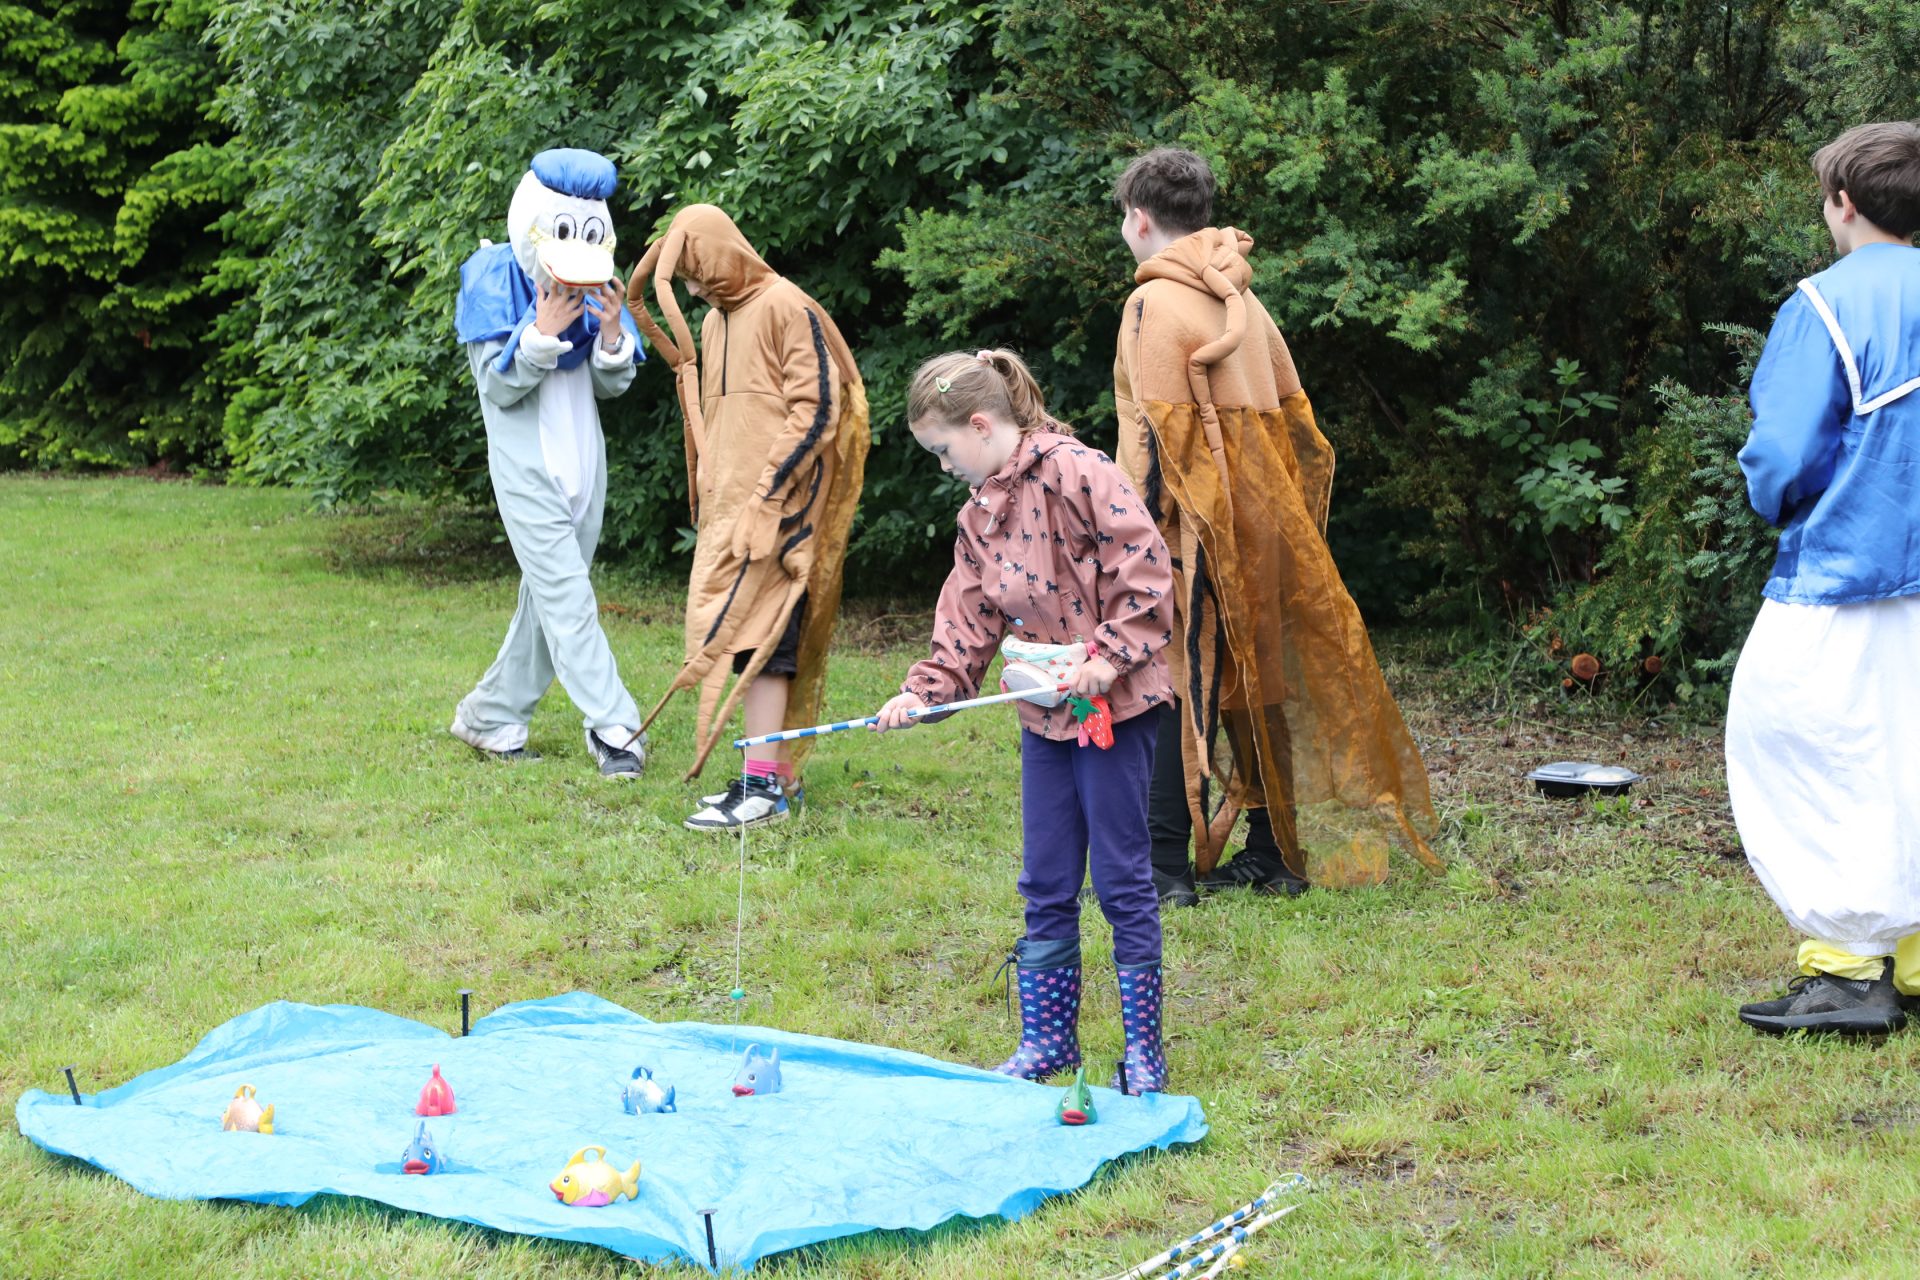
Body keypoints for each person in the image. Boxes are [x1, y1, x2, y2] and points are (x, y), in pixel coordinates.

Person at [1109, 146, 1440, 902]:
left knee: (1171, 682)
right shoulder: (1245, 302)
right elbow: (1298, 427)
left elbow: (1153, 445)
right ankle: (1276, 857)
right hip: (1263, 527)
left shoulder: (1152, 305)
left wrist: (1132, 544)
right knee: (1256, 681)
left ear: (1140, 219)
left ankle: (1163, 871)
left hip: (1191, 533)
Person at [873, 349, 1176, 1093]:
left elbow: (1145, 569)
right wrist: (926, 692)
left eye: (944, 449)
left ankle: (1144, 1053)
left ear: (981, 425)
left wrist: (1108, 658)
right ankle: (1047, 1042)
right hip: (1044, 718)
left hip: (1113, 710)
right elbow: (968, 617)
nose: (944, 466)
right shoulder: (978, 514)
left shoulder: (1081, 472)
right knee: (1046, 877)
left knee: (1121, 879)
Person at [1727, 120, 1920, 1035]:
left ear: (1843, 202)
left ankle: (1846, 971)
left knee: (1801, 749)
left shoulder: (1826, 303)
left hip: (1847, 570)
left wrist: (1774, 499)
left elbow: (1784, 454)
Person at [626, 205, 868, 830]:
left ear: (724, 254)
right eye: (686, 282)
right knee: (738, 642)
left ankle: (764, 789)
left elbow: (817, 409)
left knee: (766, 644)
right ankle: (772, 779)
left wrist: (767, 498)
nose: (696, 291)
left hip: (780, 512)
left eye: (699, 275)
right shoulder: (712, 323)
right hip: (730, 517)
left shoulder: (787, 306)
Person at [448, 148, 649, 778]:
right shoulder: (494, 277)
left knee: (549, 602)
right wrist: (539, 332)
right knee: (569, 600)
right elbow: (497, 386)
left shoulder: (594, 286)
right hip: (528, 470)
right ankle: (615, 726)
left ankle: (491, 717)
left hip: (585, 464)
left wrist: (611, 335)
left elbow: (611, 385)